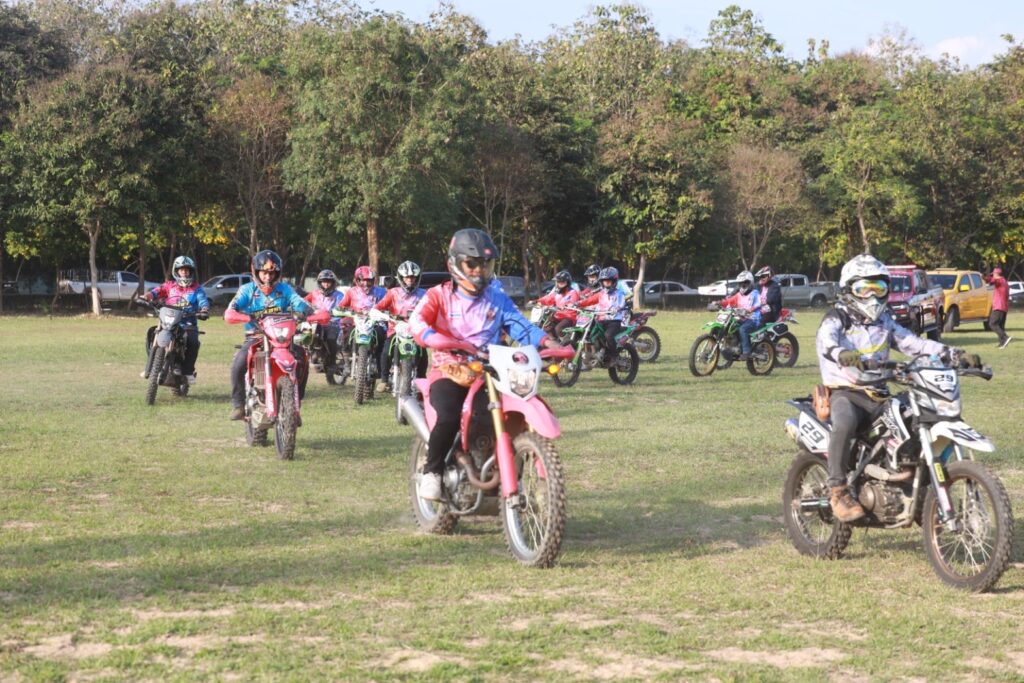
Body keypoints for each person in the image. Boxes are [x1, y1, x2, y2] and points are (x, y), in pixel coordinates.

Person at [816, 254, 980, 522]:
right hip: (846, 391)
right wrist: (844, 355)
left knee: (917, 421)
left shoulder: (884, 322)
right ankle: (838, 490)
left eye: (878, 288)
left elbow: (915, 344)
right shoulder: (837, 318)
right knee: (844, 422)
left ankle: (916, 487)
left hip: (880, 394)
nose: (872, 296)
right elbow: (827, 342)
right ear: (848, 290)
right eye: (864, 289)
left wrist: (954, 354)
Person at [409, 228, 562, 501]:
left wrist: (549, 342)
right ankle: (432, 472)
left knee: (514, 414)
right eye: (472, 264)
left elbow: (520, 326)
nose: (479, 271)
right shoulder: (438, 295)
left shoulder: (497, 297)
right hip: (450, 370)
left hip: (492, 371)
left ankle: (512, 473)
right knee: (448, 415)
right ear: (455, 264)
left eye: (486, 264)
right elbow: (417, 322)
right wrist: (436, 339)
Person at [224, 250, 314, 421]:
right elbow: (231, 310)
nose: (268, 277)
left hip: (282, 338)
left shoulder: (284, 289)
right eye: (264, 272)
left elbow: (299, 302)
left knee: (302, 357)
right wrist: (241, 315)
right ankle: (238, 405)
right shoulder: (247, 290)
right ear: (256, 271)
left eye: (272, 273)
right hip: (256, 336)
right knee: (239, 363)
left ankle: (296, 404)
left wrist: (310, 311)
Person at [143, 255, 210, 383]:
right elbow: (158, 291)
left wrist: (204, 309)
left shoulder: (197, 288)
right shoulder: (169, 286)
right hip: (168, 321)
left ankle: (188, 372)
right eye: (182, 270)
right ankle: (151, 366)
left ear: (191, 272)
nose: (184, 272)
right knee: (152, 332)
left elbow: (203, 301)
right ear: (176, 271)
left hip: (188, 322)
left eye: (187, 270)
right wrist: (149, 295)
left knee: (193, 342)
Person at [374, 260, 428, 391]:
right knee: (386, 352)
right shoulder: (393, 293)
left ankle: (421, 381)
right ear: (401, 277)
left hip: (415, 330)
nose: (410, 280)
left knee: (423, 354)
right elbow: (378, 307)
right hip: (395, 329)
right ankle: (384, 380)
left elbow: (432, 309)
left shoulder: (424, 294)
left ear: (417, 278)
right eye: (407, 277)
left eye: (413, 277)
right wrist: (379, 314)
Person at [335, 265, 388, 381]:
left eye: (369, 280)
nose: (366, 283)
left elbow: (388, 305)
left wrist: (385, 312)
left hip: (376, 322)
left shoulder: (381, 292)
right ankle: (347, 363)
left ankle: (379, 365)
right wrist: (339, 310)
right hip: (356, 322)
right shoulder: (351, 292)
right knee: (345, 335)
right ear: (357, 280)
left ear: (373, 280)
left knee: (382, 337)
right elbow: (341, 306)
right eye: (363, 280)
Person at [576, 266, 627, 362]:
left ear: (614, 281)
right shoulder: (601, 294)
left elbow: (621, 304)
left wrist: (617, 309)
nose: (606, 283)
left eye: (608, 281)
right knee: (592, 334)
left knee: (608, 335)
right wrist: (577, 303)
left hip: (614, 321)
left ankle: (615, 356)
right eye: (604, 281)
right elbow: (589, 300)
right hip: (601, 320)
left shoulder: (619, 293)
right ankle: (597, 352)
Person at [303, 269, 346, 371]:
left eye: (328, 281)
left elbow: (344, 308)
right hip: (314, 322)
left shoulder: (339, 295)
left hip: (332, 323)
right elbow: (303, 302)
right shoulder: (314, 293)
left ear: (333, 283)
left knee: (331, 338)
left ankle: (332, 361)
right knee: (301, 334)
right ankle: (305, 354)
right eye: (324, 281)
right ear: (320, 282)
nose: (326, 284)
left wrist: (337, 313)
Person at [719, 271, 761, 361]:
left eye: (745, 282)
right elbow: (729, 301)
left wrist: (749, 310)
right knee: (731, 327)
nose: (743, 285)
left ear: (750, 282)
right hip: (741, 318)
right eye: (741, 283)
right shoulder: (738, 295)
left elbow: (758, 304)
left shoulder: (755, 293)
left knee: (743, 329)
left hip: (753, 319)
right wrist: (719, 303)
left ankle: (746, 352)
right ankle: (733, 347)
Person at [531, 270, 580, 340]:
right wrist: (536, 301)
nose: (559, 284)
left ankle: (568, 344)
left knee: (558, 328)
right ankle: (554, 342)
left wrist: (564, 307)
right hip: (558, 315)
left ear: (567, 283)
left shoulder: (573, 293)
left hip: (569, 317)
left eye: (562, 283)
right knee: (546, 327)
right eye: (558, 282)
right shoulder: (557, 293)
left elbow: (573, 303)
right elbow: (548, 299)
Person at [983, 267, 1012, 348]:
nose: (993, 276)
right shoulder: (1005, 281)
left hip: (998, 306)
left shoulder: (999, 281)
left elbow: (991, 281)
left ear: (996, 274)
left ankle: (1005, 337)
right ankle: (1002, 343)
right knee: (1000, 325)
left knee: (992, 323)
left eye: (993, 274)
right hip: (1004, 307)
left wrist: (985, 277)